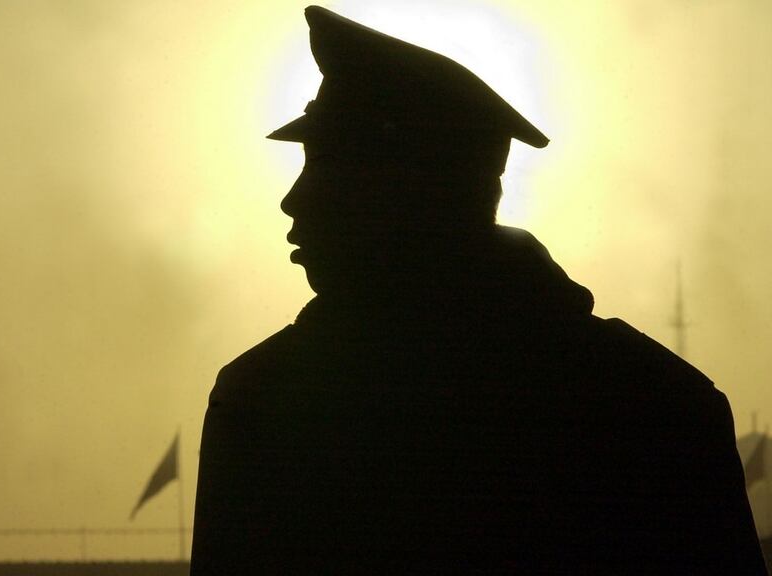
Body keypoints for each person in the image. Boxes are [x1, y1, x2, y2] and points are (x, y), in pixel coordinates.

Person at [190, 6, 766, 575]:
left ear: (411, 192)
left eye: (330, 167)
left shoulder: (267, 406)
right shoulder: (660, 404)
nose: (294, 200)